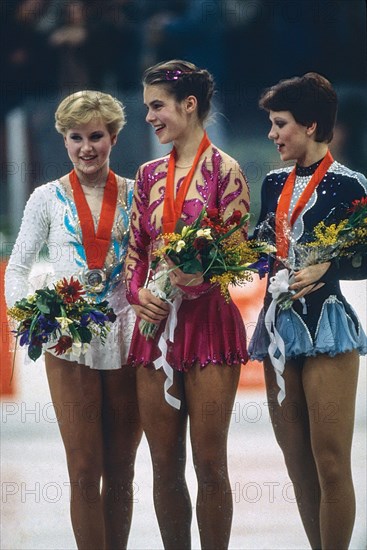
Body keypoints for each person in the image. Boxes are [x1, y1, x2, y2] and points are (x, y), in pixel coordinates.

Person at [5, 90, 143, 550]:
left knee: (122, 467)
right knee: (85, 467)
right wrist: (27, 318)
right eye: (76, 137)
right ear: (63, 140)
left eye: (96, 137)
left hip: (126, 337)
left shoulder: (137, 194)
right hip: (68, 339)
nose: (87, 147)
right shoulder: (45, 197)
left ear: (114, 137)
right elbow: (18, 267)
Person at [124, 59, 250, 549]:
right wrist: (138, 296)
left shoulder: (226, 171)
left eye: (157, 106)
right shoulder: (147, 174)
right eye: (146, 108)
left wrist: (198, 279)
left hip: (208, 327)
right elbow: (136, 252)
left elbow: (238, 252)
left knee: (210, 463)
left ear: (189, 105)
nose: (150, 117)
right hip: (154, 330)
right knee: (163, 464)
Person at [249, 73, 367, 549]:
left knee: (331, 460)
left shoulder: (351, 185)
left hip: (327, 327)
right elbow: (262, 247)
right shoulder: (273, 182)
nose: (272, 134)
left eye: (280, 124)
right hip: (278, 328)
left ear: (311, 125)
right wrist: (210, 250)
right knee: (298, 462)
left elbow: (364, 257)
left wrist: (329, 263)